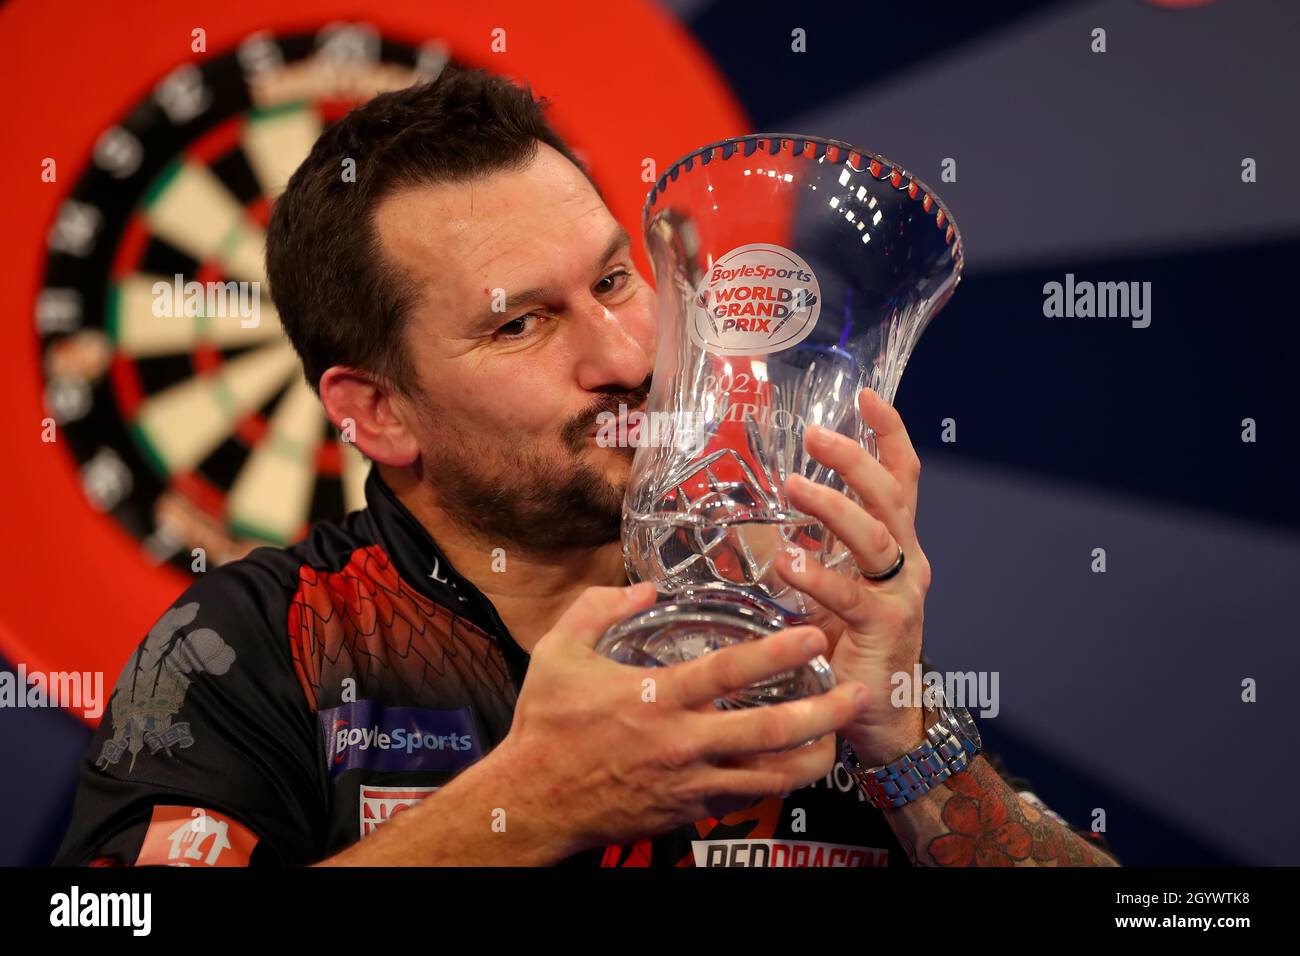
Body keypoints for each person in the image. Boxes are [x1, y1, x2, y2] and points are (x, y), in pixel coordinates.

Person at [55, 65, 1116, 868]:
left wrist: (901, 728)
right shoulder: (252, 646)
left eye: (616, 277)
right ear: (375, 411)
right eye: (520, 324)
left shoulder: (791, 609)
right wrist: (525, 805)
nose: (623, 356)